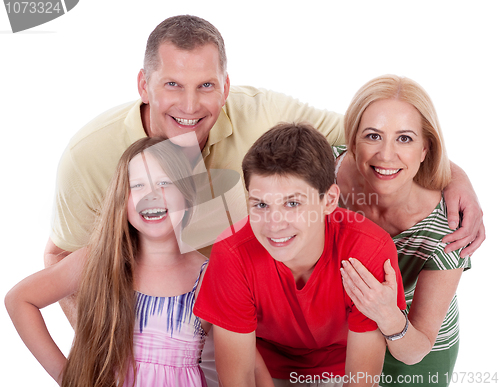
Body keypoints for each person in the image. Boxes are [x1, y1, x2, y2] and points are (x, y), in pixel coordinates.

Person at [45, 15, 484, 331]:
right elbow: (61, 259)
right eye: (172, 85)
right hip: (151, 323)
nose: (190, 106)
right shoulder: (89, 156)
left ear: (226, 85)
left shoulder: (262, 112)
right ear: (144, 84)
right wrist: (109, 353)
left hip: (256, 317)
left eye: (206, 86)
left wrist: (453, 175)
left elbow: (368, 137)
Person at [194, 122, 408, 387]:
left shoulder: (367, 248)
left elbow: (361, 381)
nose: (274, 224)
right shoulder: (232, 252)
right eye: (261, 204)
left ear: (329, 201)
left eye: (292, 203)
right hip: (265, 366)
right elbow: (239, 379)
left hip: (340, 369)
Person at [5, 137, 212, 387]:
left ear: (187, 195)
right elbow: (19, 299)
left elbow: (242, 357)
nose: (151, 196)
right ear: (121, 200)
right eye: (137, 186)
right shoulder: (98, 261)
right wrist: (66, 377)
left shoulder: (209, 276)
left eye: (165, 182)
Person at [333, 75, 475, 386]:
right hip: (339, 342)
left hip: (415, 352)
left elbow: (416, 348)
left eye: (405, 139)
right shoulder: (323, 174)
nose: (386, 154)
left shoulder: (446, 227)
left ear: (426, 149)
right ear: (352, 138)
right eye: (372, 136)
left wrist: (386, 313)